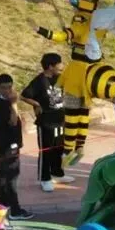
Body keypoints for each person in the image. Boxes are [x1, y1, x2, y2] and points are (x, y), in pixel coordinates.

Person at [19, 54, 71, 191]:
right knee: (46, 151)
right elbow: (23, 96)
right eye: (59, 63)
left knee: (59, 148)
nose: (62, 66)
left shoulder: (59, 78)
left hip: (60, 120)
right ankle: (45, 179)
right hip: (46, 122)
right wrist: (36, 104)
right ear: (50, 66)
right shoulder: (39, 81)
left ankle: (57, 173)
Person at [0, 74, 33, 221]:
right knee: (11, 176)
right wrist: (14, 104)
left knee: (4, 174)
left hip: (8, 143)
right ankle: (15, 209)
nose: (7, 91)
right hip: (8, 145)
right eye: (4, 88)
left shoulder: (5, 101)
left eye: (9, 87)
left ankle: (4, 204)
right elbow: (13, 121)